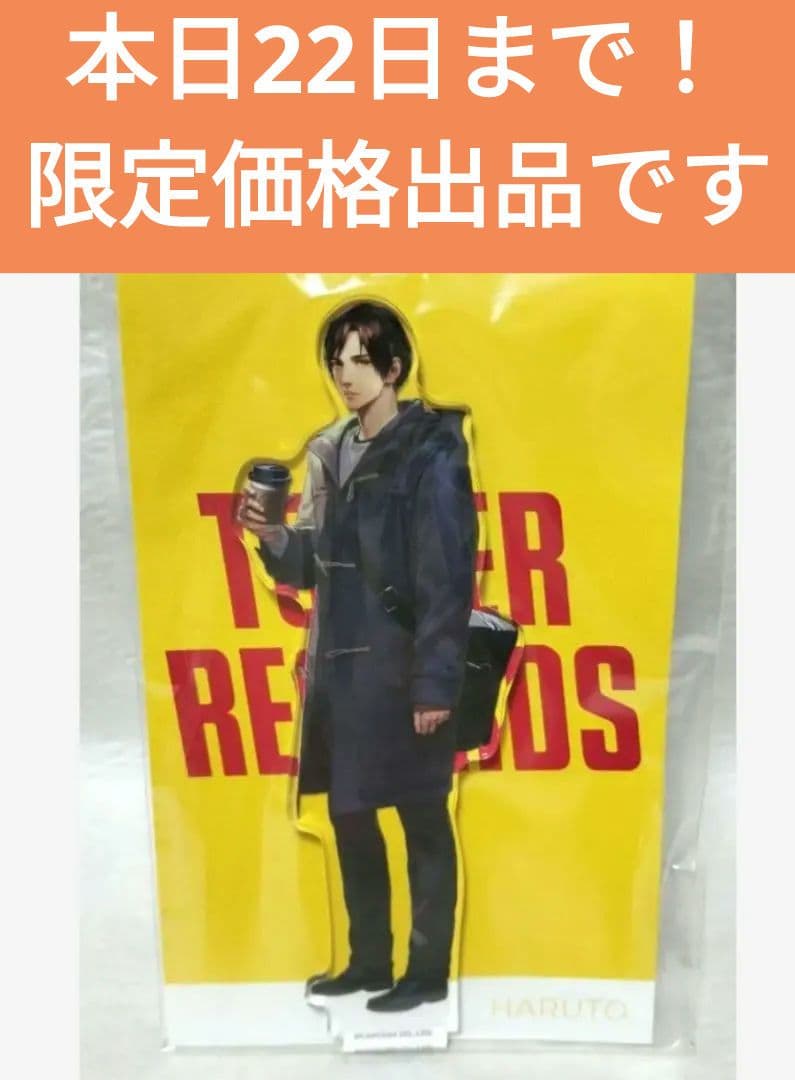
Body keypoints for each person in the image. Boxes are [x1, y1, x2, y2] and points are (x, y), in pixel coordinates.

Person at [238, 300, 476, 1013]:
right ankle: (369, 961)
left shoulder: (432, 448)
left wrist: (435, 685)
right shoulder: (329, 450)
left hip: (406, 668)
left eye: (361, 361)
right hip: (343, 675)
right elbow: (310, 566)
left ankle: (425, 973)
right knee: (350, 817)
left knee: (422, 819)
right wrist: (273, 538)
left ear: (394, 368)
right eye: (336, 360)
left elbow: (446, 573)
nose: (345, 374)